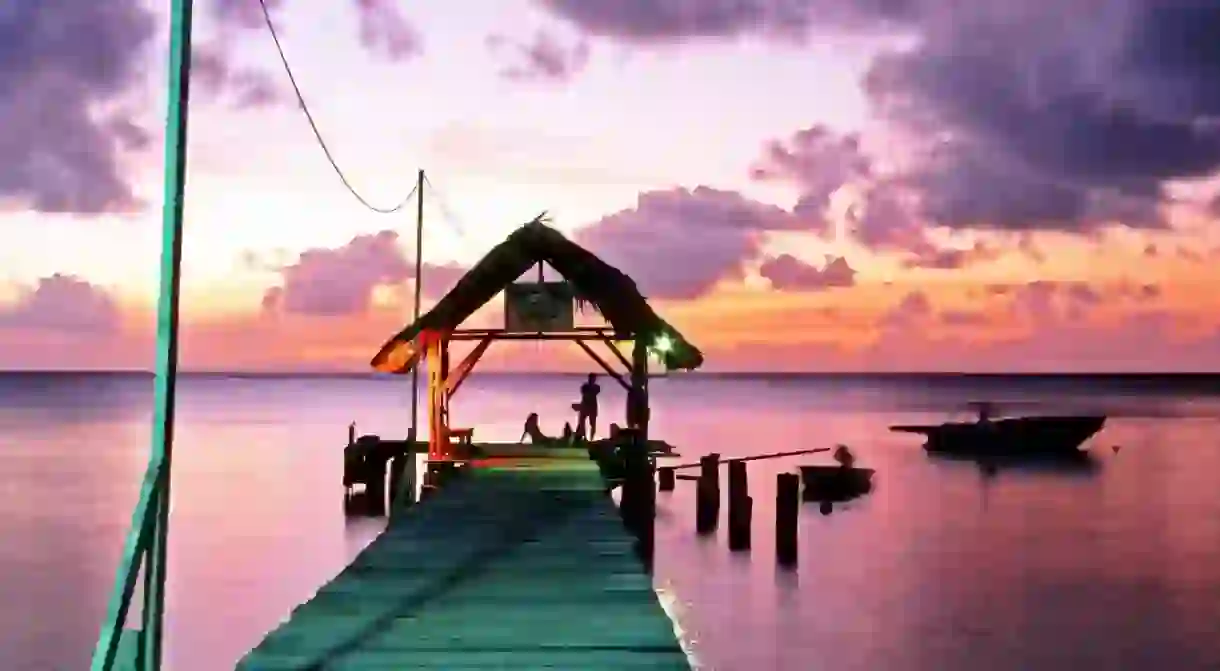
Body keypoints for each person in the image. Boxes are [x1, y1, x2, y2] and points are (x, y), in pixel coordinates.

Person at [577, 373, 601, 440]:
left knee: (592, 424)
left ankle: (591, 439)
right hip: (585, 406)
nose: (592, 380)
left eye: (593, 378)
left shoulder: (596, 387)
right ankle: (584, 437)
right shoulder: (585, 386)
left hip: (592, 407)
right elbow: (584, 392)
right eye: (591, 378)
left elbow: (595, 392)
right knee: (582, 422)